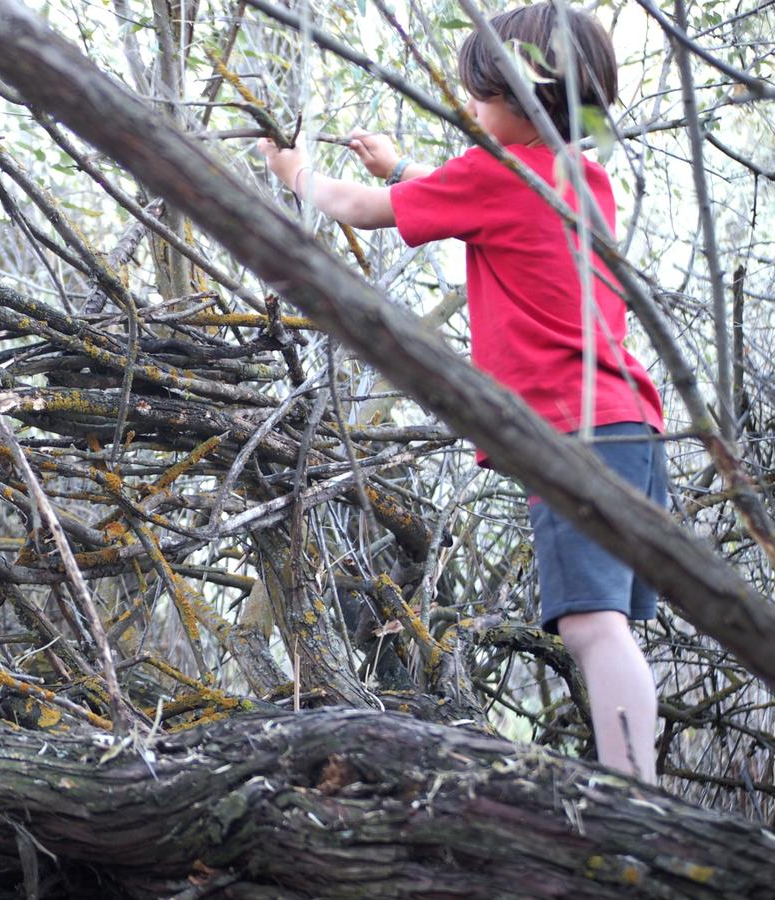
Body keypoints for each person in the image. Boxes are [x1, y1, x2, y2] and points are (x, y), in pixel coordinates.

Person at [258, 3, 665, 783]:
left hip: (570, 433)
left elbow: (357, 212)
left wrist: (294, 172)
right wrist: (407, 169)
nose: (470, 109)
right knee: (611, 629)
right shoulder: (586, 176)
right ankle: (639, 784)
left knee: (592, 628)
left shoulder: (496, 176)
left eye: (481, 95)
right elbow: (488, 206)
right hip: (632, 425)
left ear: (525, 94)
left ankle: (638, 800)